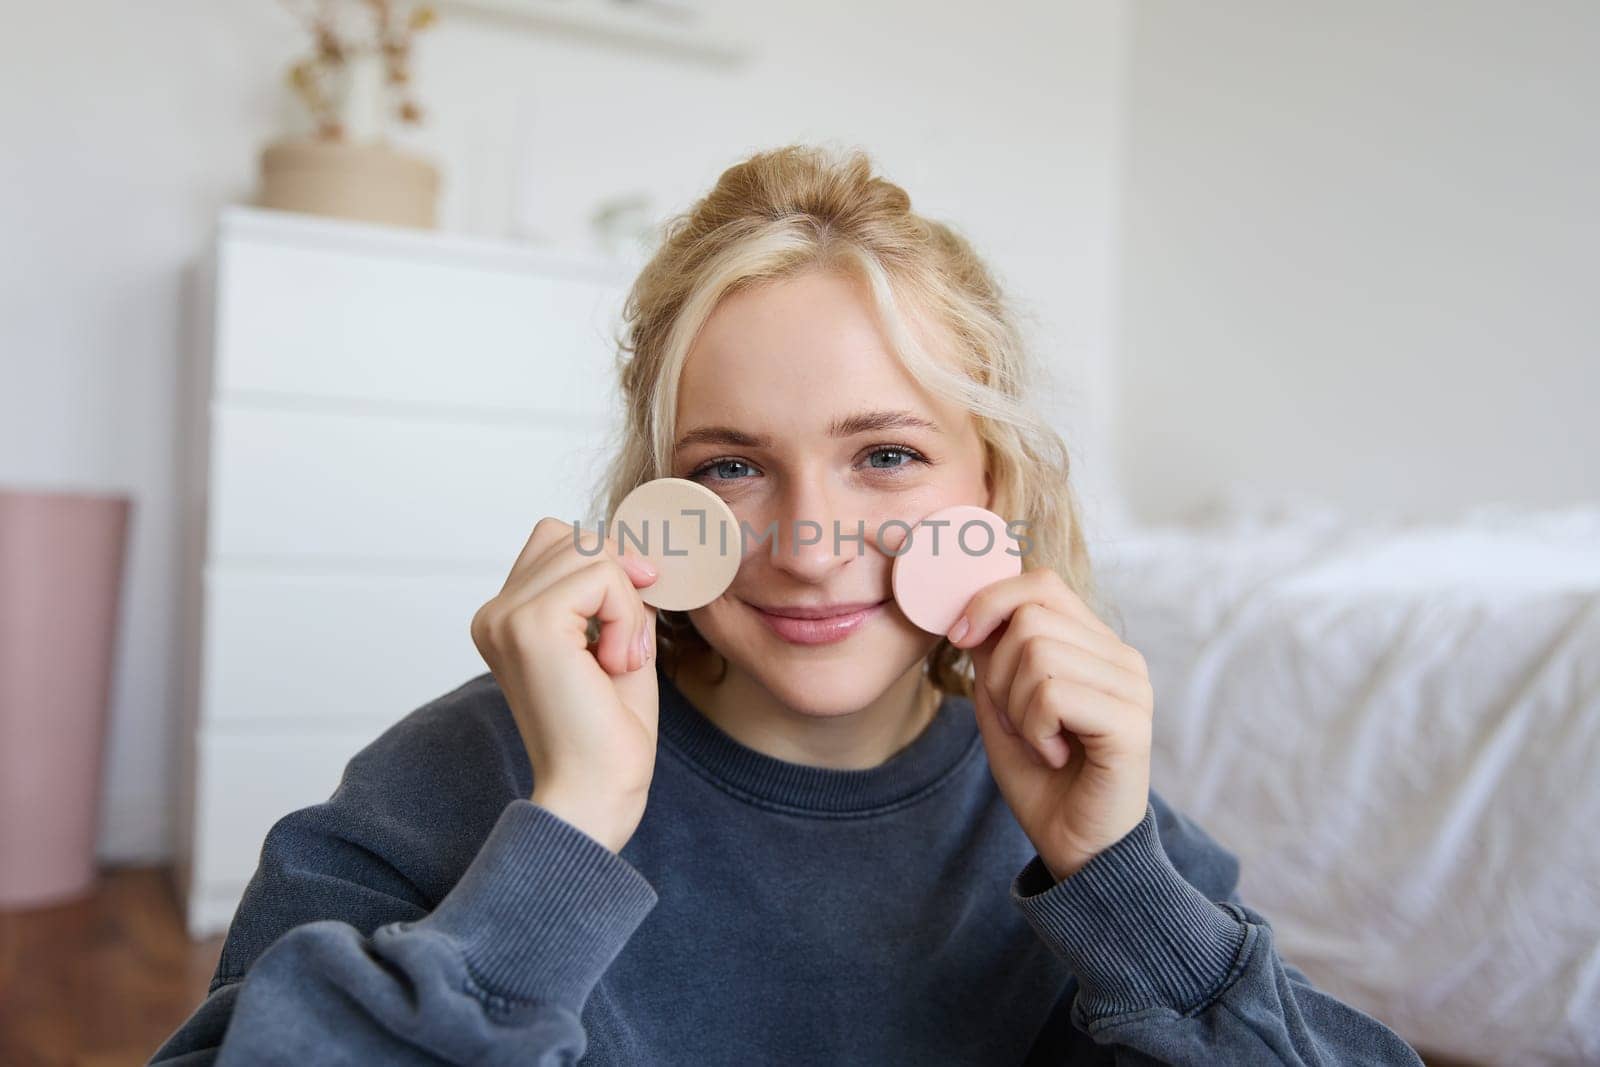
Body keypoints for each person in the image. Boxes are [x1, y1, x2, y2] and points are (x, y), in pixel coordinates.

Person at [152, 144, 1424, 1065]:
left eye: (885, 454)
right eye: (732, 465)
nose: (812, 553)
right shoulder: (458, 776)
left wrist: (1119, 886)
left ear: (998, 481)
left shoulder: (1105, 840)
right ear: (655, 500)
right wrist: (565, 837)